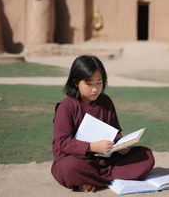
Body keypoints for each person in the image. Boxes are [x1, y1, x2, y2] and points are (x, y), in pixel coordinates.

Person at [51, 55, 155, 192]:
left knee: (146, 155)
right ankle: (106, 178)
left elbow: (115, 131)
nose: (95, 89)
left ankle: (90, 180)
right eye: (89, 83)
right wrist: (92, 146)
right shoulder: (67, 106)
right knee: (68, 168)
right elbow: (63, 143)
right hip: (80, 159)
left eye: (99, 83)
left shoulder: (105, 101)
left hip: (106, 160)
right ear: (76, 82)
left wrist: (122, 145)